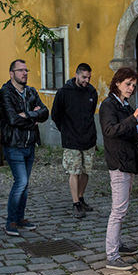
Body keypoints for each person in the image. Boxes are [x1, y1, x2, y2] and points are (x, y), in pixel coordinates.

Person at [99, 67, 138, 270]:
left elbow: (128, 133)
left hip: (128, 160)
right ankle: (111, 255)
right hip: (118, 162)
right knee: (118, 210)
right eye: (128, 84)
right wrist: (134, 118)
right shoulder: (108, 105)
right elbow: (110, 131)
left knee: (123, 208)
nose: (131, 88)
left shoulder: (124, 105)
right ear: (117, 83)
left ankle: (117, 245)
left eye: (134, 85)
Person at [0, 59, 49, 236]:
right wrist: (32, 119)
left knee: (25, 185)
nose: (24, 73)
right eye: (20, 71)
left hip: (29, 144)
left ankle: (20, 218)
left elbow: (45, 112)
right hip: (13, 145)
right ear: (11, 74)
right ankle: (10, 221)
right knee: (21, 182)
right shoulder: (5, 93)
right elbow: (12, 119)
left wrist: (28, 115)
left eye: (26, 70)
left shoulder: (31, 91)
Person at [50, 63, 98, 219]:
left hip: (89, 138)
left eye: (89, 77)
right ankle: (75, 203)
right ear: (76, 75)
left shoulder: (91, 92)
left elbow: (91, 113)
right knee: (74, 171)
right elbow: (55, 115)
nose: (87, 80)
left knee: (86, 171)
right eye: (84, 77)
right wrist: (65, 130)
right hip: (71, 139)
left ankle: (81, 197)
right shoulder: (64, 93)